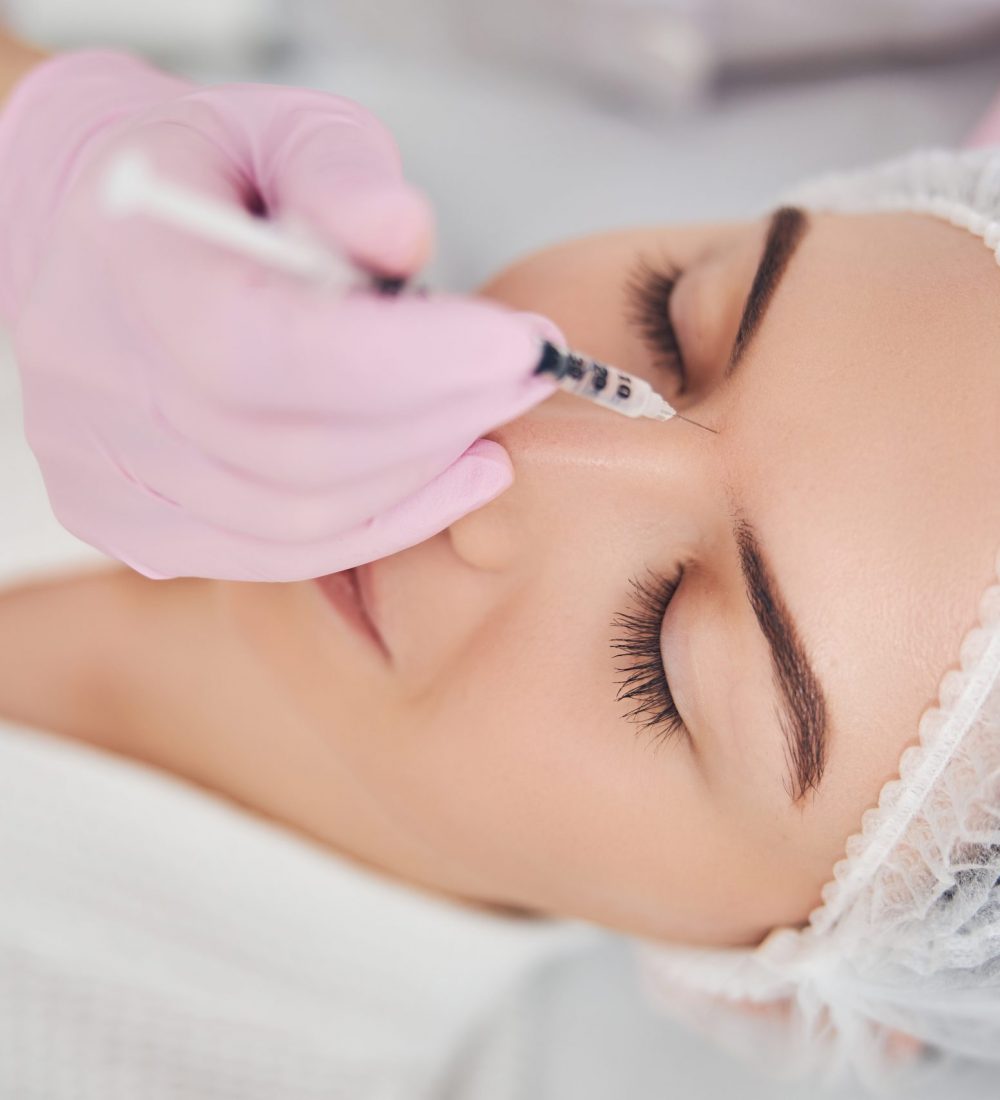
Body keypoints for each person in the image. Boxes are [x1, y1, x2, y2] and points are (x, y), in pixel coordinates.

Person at [0, 28, 997, 1095]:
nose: (503, 462)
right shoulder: (246, 189)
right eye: (667, 316)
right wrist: (35, 130)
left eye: (659, 654)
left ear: (776, 985)